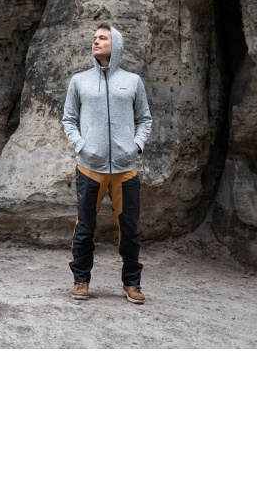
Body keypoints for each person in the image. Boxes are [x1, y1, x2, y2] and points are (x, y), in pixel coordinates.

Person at [62, 23, 152, 303]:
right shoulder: (79, 81)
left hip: (125, 169)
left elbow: (144, 119)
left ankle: (132, 283)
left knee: (130, 230)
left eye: (102, 38)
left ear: (117, 44)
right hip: (90, 168)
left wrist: (136, 146)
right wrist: (82, 146)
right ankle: (81, 280)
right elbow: (69, 119)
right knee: (85, 228)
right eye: (94, 38)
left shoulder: (133, 81)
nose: (96, 41)